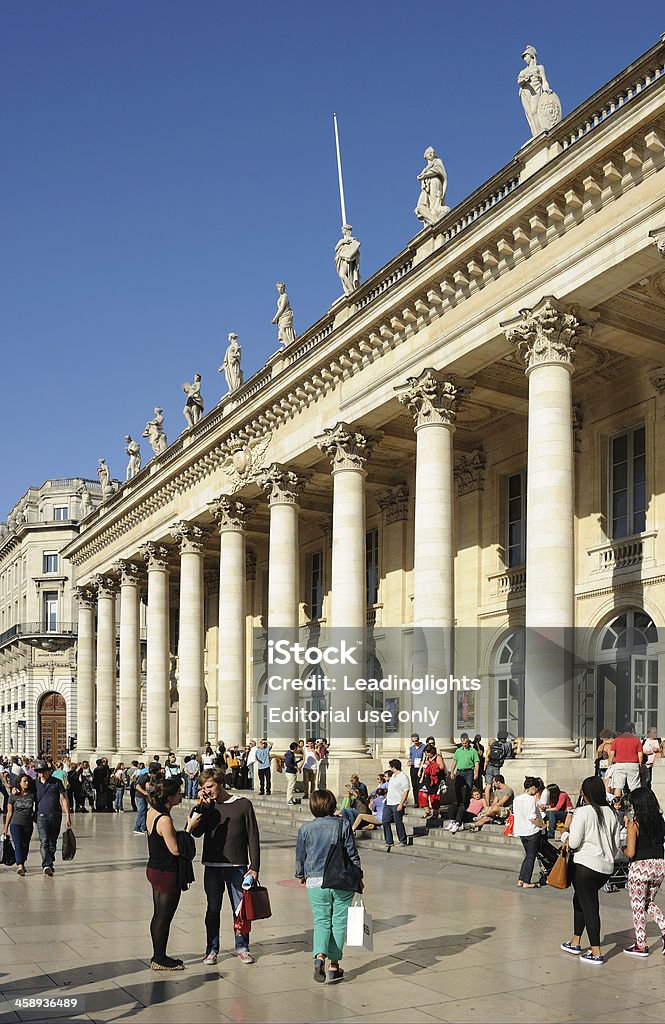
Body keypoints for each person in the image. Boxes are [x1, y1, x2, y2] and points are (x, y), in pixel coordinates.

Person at [189, 768, 261, 966]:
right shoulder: (207, 807)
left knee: (240, 909)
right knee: (213, 909)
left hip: (237, 865)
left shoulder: (243, 804)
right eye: (204, 788)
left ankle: (243, 947)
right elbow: (196, 833)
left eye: (210, 786)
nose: (207, 790)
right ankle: (211, 949)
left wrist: (254, 866)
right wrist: (203, 807)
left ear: (220, 783)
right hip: (212, 865)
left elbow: (253, 835)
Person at [295, 789, 362, 982]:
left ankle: (319, 957)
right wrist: (358, 876)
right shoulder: (343, 825)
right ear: (332, 805)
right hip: (341, 879)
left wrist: (301, 874)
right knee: (339, 922)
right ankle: (334, 965)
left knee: (321, 921)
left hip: (315, 881)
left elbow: (300, 856)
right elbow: (352, 854)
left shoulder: (305, 829)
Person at [560, 776, 620, 965]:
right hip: (605, 867)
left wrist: (564, 834)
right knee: (580, 900)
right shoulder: (611, 813)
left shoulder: (583, 812)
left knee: (590, 907)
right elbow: (616, 844)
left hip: (585, 865)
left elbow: (575, 842)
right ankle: (575, 940)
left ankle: (596, 952)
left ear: (585, 793)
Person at [146, 776, 196, 971]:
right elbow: (175, 849)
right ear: (169, 797)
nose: (180, 795)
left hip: (154, 868)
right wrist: (189, 829)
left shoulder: (153, 812)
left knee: (158, 914)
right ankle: (160, 958)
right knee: (164, 916)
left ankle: (158, 955)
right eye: (177, 793)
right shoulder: (165, 819)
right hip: (166, 872)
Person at [623, 787, 665, 957]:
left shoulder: (634, 823)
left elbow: (631, 852)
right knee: (648, 903)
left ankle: (641, 944)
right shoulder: (660, 821)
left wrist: (623, 847)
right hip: (659, 865)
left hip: (640, 868)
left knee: (638, 907)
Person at [34, 759, 71, 876]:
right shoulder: (34, 783)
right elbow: (24, 791)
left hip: (56, 815)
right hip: (41, 816)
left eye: (43, 771)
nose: (41, 773)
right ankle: (46, 865)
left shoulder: (57, 782)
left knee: (53, 842)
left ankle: (50, 862)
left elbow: (63, 799)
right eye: (39, 771)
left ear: (49, 771)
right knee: (44, 841)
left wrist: (68, 815)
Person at [513, 776, 547, 889]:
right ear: (532, 787)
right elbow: (532, 817)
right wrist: (543, 825)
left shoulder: (517, 799)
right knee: (531, 856)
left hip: (521, 830)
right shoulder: (531, 799)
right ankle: (526, 881)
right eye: (536, 789)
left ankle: (521, 879)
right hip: (531, 830)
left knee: (528, 856)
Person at [3, 773, 36, 876]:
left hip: (28, 824)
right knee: (18, 845)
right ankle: (20, 865)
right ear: (19, 783)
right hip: (15, 823)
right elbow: (9, 812)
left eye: (27, 781)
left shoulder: (32, 794)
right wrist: (5, 828)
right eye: (24, 781)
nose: (26, 783)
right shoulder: (13, 796)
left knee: (25, 845)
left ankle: (22, 861)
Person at [448, 735, 480, 834]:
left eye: (466, 743)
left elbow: (476, 762)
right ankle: (458, 802)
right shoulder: (458, 751)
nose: (464, 745)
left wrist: (476, 772)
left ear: (469, 742)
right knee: (457, 788)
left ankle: (466, 804)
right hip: (460, 771)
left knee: (468, 788)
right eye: (463, 743)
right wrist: (452, 771)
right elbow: (454, 761)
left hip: (469, 771)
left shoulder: (473, 751)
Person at [609, 722, 644, 796]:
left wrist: (610, 764)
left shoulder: (617, 740)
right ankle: (635, 806)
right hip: (633, 764)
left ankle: (616, 805)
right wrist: (640, 765)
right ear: (632, 729)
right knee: (635, 788)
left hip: (619, 764)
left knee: (618, 787)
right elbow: (640, 754)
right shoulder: (636, 740)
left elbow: (611, 753)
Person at [382, 758, 410, 850]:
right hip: (389, 802)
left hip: (397, 802)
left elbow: (406, 791)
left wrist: (401, 804)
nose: (390, 768)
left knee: (398, 822)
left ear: (394, 767)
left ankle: (403, 840)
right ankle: (389, 841)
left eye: (391, 767)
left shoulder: (403, 777)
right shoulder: (393, 776)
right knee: (385, 820)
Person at [484, 732, 512, 803]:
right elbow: (509, 756)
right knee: (498, 784)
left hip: (490, 765)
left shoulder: (493, 744)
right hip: (497, 767)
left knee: (488, 786)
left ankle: (487, 803)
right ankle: (496, 802)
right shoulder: (508, 744)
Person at [334, 224, 361, 296]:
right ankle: (350, 289)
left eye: (343, 230)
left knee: (342, 274)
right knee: (342, 275)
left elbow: (355, 250)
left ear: (347, 231)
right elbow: (336, 248)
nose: (343, 231)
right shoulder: (342, 240)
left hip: (348, 259)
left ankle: (351, 290)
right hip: (342, 259)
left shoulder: (353, 239)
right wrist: (343, 242)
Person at [271, 283, 296, 347]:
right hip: (282, 317)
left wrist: (275, 318)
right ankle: (289, 345)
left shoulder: (285, 296)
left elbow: (281, 308)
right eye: (279, 287)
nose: (280, 289)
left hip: (286, 315)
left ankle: (289, 345)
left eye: (282, 287)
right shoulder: (281, 297)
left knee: (283, 329)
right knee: (283, 330)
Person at [407, 734, 426, 807]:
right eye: (413, 741)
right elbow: (411, 757)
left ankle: (422, 802)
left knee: (420, 785)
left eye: (416, 740)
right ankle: (416, 802)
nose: (415, 742)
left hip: (421, 767)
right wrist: (409, 762)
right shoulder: (411, 748)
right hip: (413, 767)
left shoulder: (423, 747)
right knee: (414, 785)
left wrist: (422, 762)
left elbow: (425, 757)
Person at [134, 762, 151, 835]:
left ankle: (144, 827)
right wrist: (145, 793)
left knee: (144, 811)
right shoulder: (144, 777)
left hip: (143, 796)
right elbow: (137, 786)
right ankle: (137, 827)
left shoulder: (149, 778)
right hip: (140, 796)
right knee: (141, 811)